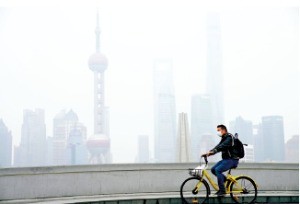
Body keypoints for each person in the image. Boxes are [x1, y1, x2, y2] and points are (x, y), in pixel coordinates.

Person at [202, 124, 239, 197]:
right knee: (213, 169)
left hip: (232, 160)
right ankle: (224, 180)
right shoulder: (224, 138)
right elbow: (218, 146)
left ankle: (222, 190)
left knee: (218, 170)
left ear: (224, 130)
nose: (218, 132)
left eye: (219, 130)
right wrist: (209, 153)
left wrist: (214, 151)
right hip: (226, 159)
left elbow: (223, 146)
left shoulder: (229, 137)